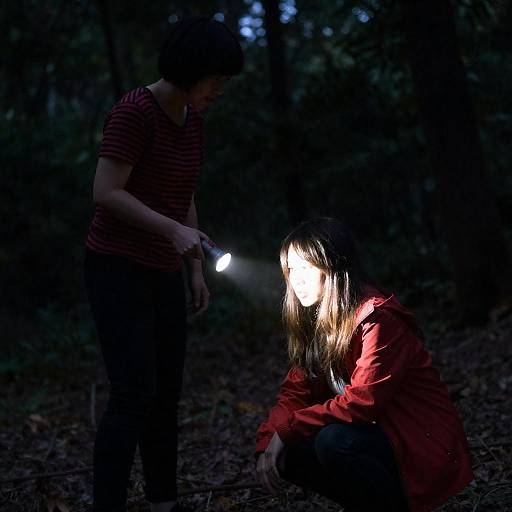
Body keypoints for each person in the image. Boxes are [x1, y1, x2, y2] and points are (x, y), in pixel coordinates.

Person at [84, 17, 243, 512]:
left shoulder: (193, 121)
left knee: (164, 396)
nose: (219, 91)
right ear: (192, 70)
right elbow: (105, 192)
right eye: (215, 80)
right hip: (115, 267)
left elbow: (184, 192)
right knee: (133, 391)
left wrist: (194, 266)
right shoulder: (135, 113)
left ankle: (162, 502)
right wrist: (172, 230)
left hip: (162, 270)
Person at [256, 217, 474, 512]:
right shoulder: (317, 320)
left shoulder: (376, 318)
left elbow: (363, 401)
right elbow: (295, 392)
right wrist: (271, 437)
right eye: (291, 269)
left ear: (333, 266)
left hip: (418, 445)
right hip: (378, 439)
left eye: (306, 268)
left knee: (334, 441)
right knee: (287, 451)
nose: (297, 280)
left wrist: (289, 428)